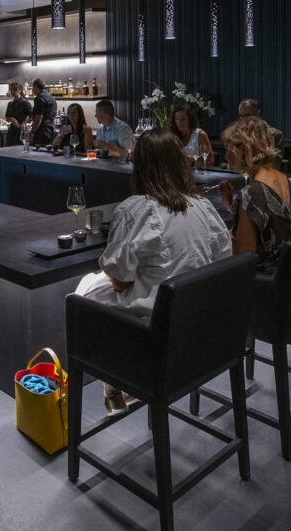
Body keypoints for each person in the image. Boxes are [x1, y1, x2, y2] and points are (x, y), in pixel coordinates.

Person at [74, 128, 232, 413]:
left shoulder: (135, 209)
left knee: (86, 287)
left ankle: (121, 377)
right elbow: (223, 260)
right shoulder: (203, 206)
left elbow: (120, 281)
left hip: (155, 335)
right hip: (205, 329)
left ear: (140, 167)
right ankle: (120, 383)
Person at [218, 117, 291, 269]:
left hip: (261, 279)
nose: (226, 156)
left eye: (228, 149)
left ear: (244, 149)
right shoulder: (284, 179)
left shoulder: (251, 193)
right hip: (284, 270)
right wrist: (231, 205)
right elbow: (267, 223)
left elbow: (244, 258)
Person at [238, 98, 285, 168]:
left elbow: (274, 165)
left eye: (247, 115)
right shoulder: (239, 134)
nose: (244, 120)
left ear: (258, 114)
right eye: (241, 116)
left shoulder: (274, 134)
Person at [29, 78, 57, 146]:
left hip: (42, 131)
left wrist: (32, 131)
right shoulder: (50, 96)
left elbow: (39, 117)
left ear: (36, 87)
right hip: (50, 129)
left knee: (38, 152)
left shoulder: (39, 98)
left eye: (33, 87)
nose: (32, 89)